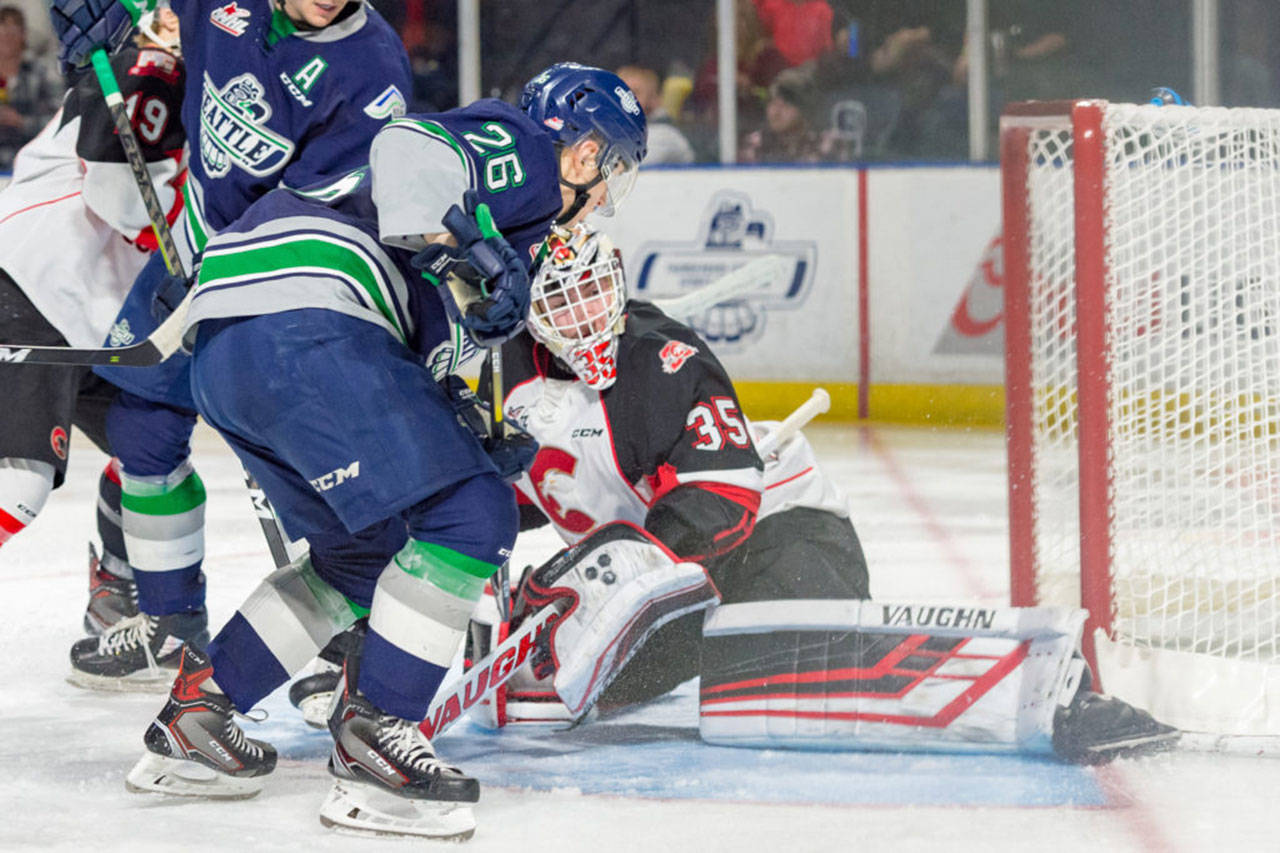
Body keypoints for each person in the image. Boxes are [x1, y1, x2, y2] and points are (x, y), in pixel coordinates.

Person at [120, 63, 647, 839]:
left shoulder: (511, 237)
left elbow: (410, 319)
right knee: (472, 517)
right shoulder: (530, 151)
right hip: (305, 318)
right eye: (612, 170)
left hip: (236, 343)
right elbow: (406, 145)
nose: (603, 196)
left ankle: (197, 718)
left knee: (362, 555)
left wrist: (460, 424)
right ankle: (377, 738)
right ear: (583, 149)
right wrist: (478, 244)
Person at [458, 223, 1176, 765]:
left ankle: (1046, 689)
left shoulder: (668, 361)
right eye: (564, 297)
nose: (586, 313)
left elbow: (722, 503)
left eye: (594, 289)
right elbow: (526, 491)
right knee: (545, 702)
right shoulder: (505, 375)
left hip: (777, 533)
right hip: (667, 573)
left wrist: (605, 580)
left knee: (802, 674)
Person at [50, 0, 414, 691]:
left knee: (317, 461)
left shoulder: (373, 70)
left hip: (289, 280)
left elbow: (320, 216)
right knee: (142, 423)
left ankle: (356, 633)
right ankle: (171, 626)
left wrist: (227, 281)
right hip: (193, 251)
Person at [0, 9, 184, 636]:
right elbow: (123, 200)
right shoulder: (148, 73)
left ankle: (119, 589)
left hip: (92, 315)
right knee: (15, 490)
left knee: (151, 448)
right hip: (30, 284)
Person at [0, 5, 65, 169]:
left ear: (23, 35)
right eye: (2, 32)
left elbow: (61, 121)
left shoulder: (43, 73)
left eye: (12, 32)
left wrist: (22, 122)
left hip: (32, 163)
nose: (6, 37)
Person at [616, 64, 693, 165]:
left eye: (634, 92)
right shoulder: (620, 129)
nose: (624, 98)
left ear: (653, 100)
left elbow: (631, 167)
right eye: (619, 92)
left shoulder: (664, 133)